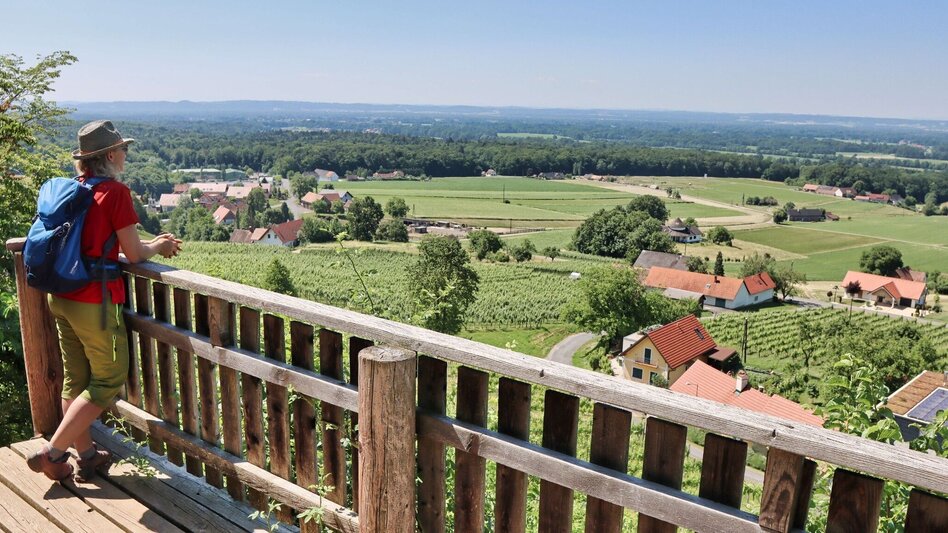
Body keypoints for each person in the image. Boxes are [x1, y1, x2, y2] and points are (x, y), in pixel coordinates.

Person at [26, 120, 182, 482]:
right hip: (94, 303)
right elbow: (135, 253)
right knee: (107, 380)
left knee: (75, 381)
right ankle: (52, 452)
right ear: (109, 155)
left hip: (60, 296)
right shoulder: (114, 193)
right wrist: (159, 245)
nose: (125, 154)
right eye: (122, 149)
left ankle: (87, 456)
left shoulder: (74, 191)